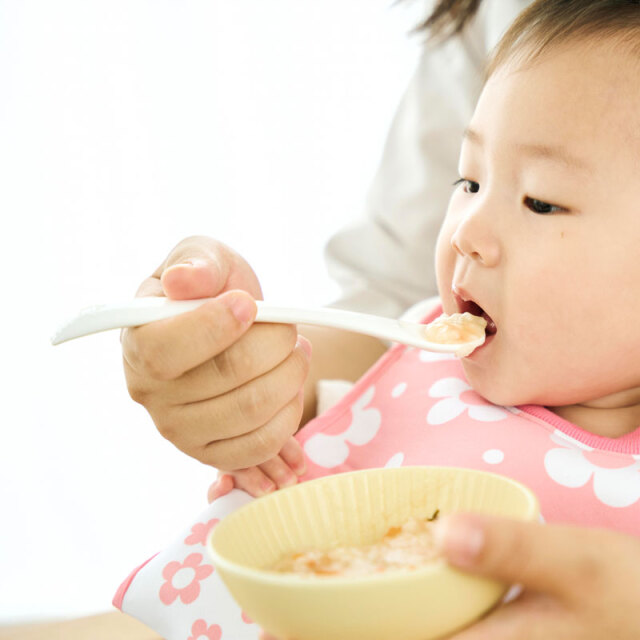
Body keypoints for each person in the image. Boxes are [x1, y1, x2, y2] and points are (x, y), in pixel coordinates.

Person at [119, 0, 640, 638]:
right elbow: (369, 310)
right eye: (469, 181)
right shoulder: (416, 355)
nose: (467, 232)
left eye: (541, 200)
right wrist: (249, 368)